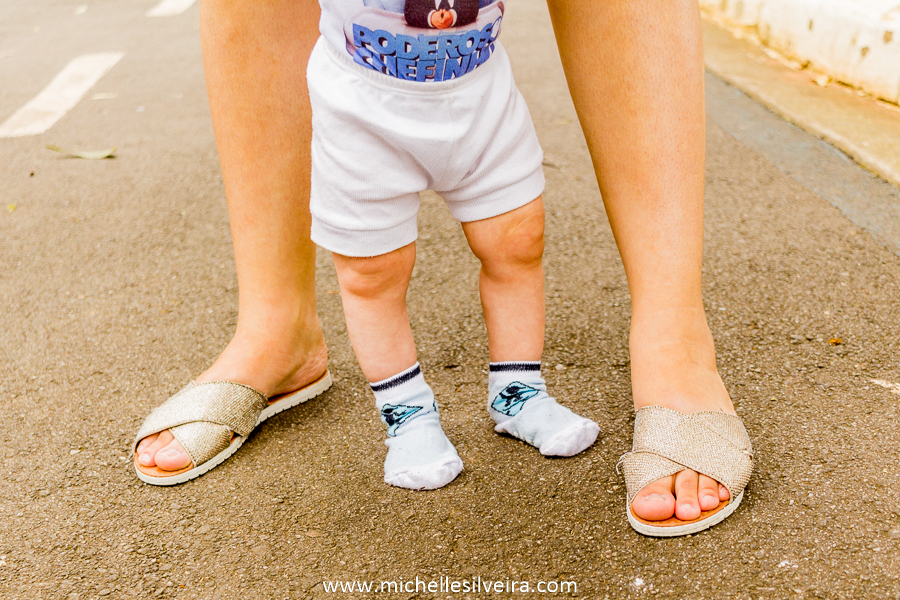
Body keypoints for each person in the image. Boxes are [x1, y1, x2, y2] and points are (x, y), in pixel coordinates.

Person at [133, 0, 752, 535]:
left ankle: (613, 361)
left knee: (516, 236)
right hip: (357, 102)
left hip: (479, 97)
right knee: (370, 269)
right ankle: (323, 359)